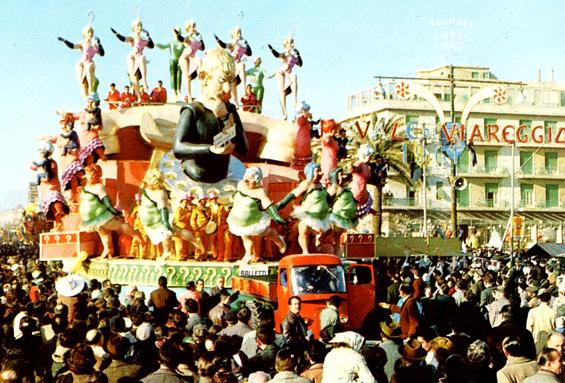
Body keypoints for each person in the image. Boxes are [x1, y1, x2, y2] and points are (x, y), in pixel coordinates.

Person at [173, 47, 248, 183]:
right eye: (222, 80)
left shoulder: (229, 110)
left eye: (230, 81)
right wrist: (211, 149)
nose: (227, 88)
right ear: (203, 78)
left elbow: (243, 149)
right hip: (193, 180)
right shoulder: (193, 111)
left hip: (223, 180)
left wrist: (226, 118)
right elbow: (178, 148)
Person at [79, 163, 142, 259]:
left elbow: (106, 200)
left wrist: (113, 210)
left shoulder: (99, 187)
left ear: (94, 174)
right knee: (103, 232)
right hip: (92, 217)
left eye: (88, 173)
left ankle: (136, 235)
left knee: (116, 226)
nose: (86, 176)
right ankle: (108, 249)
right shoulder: (86, 188)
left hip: (101, 215)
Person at [227, 167, 287, 264]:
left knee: (268, 233)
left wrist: (275, 215)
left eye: (250, 178)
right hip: (238, 221)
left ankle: (279, 241)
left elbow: (267, 203)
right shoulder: (241, 184)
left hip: (254, 220)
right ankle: (248, 255)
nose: (246, 179)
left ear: (256, 179)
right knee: (245, 237)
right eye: (246, 176)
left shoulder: (260, 192)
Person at [138, 169, 201, 261]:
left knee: (165, 232)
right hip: (152, 218)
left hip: (159, 217)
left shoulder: (159, 193)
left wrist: (165, 221)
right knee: (174, 233)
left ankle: (167, 251)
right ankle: (194, 240)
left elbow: (163, 208)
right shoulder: (148, 189)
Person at [277, 162, 331, 254]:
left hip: (322, 215)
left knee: (328, 230)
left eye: (320, 170)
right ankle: (305, 251)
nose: (321, 173)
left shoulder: (320, 185)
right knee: (304, 231)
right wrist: (281, 204)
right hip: (308, 214)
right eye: (318, 171)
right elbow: (293, 194)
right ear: (311, 172)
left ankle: (319, 239)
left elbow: (327, 198)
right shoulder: (306, 184)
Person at [30, 141, 69, 231]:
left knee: (55, 204)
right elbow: (35, 168)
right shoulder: (43, 163)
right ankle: (57, 225)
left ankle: (59, 222)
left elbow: (49, 175)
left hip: (52, 188)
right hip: (45, 191)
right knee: (51, 210)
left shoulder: (51, 163)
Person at [58, 23, 104, 98]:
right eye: (88, 32)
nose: (90, 34)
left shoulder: (94, 44)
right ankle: (86, 99)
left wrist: (99, 43)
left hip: (89, 63)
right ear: (85, 33)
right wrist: (64, 41)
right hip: (82, 63)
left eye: (92, 32)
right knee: (83, 82)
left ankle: (91, 92)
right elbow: (73, 46)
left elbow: (102, 54)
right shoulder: (82, 42)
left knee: (89, 72)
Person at [111, 19, 154, 98]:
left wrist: (148, 36)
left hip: (140, 56)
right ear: (134, 27)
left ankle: (144, 82)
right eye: (138, 25)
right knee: (134, 77)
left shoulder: (144, 37)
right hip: (133, 57)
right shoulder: (132, 36)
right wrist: (116, 33)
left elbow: (151, 46)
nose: (139, 27)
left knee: (143, 58)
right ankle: (138, 97)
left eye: (140, 25)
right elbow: (123, 39)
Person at [215, 27, 252, 108]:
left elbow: (249, 53)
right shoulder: (232, 43)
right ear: (233, 34)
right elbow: (224, 45)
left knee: (242, 65)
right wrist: (218, 40)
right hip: (231, 65)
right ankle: (236, 102)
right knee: (233, 85)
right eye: (237, 33)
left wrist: (246, 43)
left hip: (238, 65)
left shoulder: (243, 43)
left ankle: (244, 90)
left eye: (240, 32)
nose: (239, 34)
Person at [268, 36, 302, 120]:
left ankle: (295, 102)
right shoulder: (285, 52)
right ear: (286, 44)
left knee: (294, 76)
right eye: (290, 42)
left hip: (289, 72)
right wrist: (271, 49)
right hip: (281, 72)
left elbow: (300, 64)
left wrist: (298, 55)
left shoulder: (294, 53)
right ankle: (284, 113)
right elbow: (277, 55)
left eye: (292, 42)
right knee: (282, 93)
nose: (292, 44)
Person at [176, 21, 205, 102]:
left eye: (195, 26)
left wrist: (200, 37)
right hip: (184, 58)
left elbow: (202, 48)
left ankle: (202, 93)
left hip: (192, 58)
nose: (195, 28)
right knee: (187, 77)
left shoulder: (196, 37)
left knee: (200, 65)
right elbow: (181, 39)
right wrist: (188, 33)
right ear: (188, 28)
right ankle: (189, 96)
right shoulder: (187, 37)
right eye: (193, 26)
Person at [156, 29, 185, 98]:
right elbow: (163, 46)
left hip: (180, 60)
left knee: (179, 75)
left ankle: (178, 90)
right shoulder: (171, 41)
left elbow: (188, 47)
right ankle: (173, 90)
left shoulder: (183, 42)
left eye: (178, 32)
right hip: (173, 60)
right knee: (173, 75)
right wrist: (156, 43)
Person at [291, 102, 313, 176]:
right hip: (301, 143)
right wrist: (308, 115)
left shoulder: (305, 121)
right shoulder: (300, 119)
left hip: (306, 142)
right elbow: (303, 118)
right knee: (301, 165)